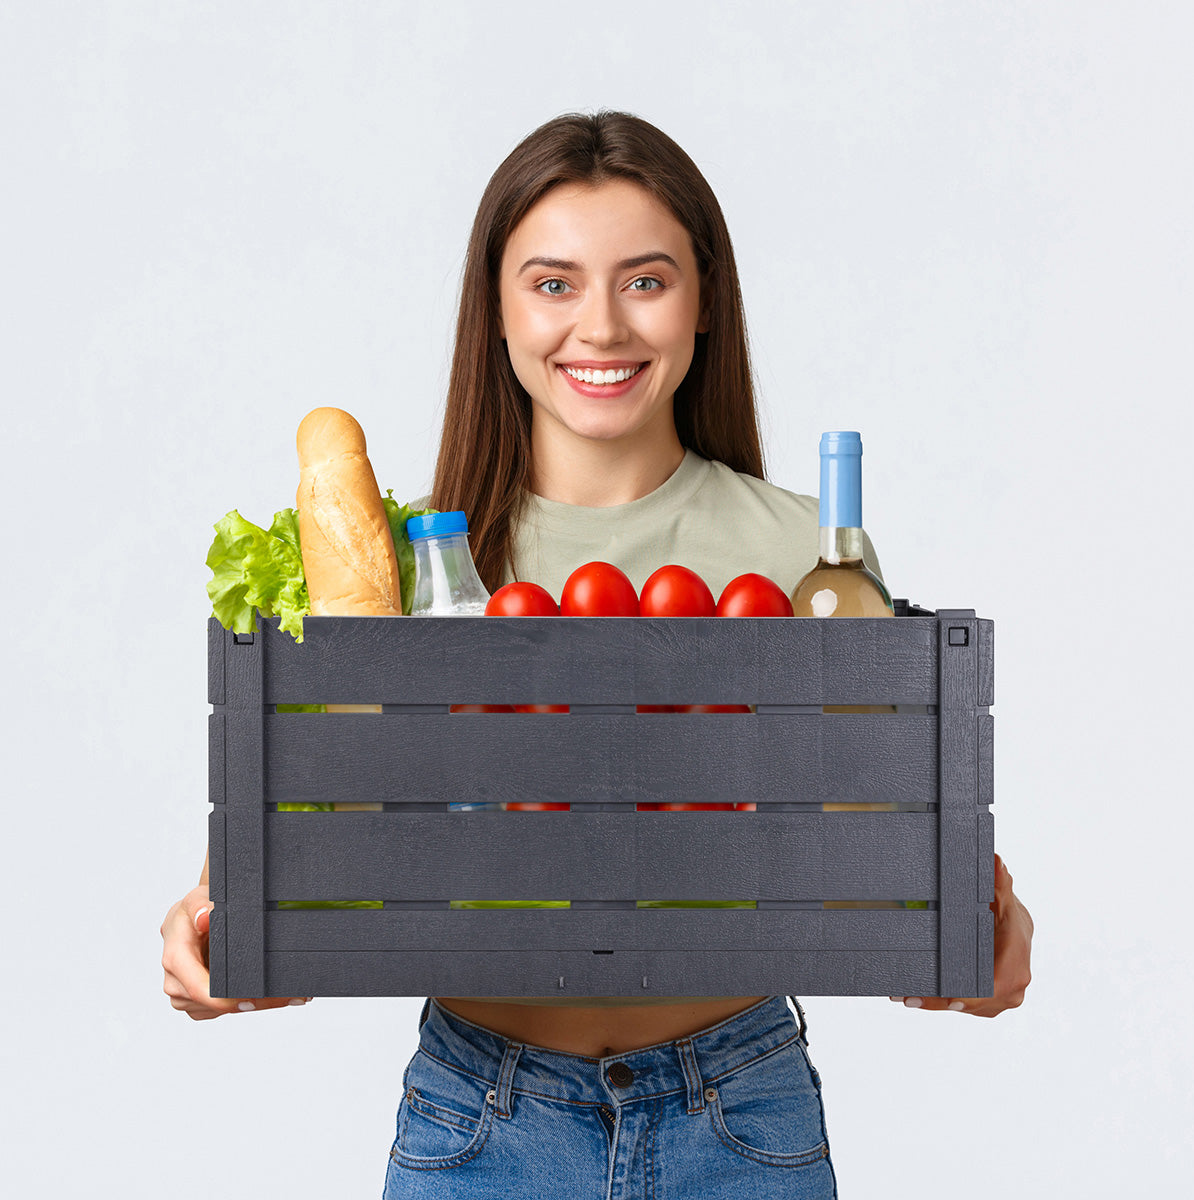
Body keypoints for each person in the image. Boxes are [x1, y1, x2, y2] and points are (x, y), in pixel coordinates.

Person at [162, 111, 1034, 1197]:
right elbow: (326, 823)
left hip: (741, 1110)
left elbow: (870, 841)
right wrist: (217, 924)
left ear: (704, 301)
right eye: (555, 283)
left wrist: (981, 924)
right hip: (480, 1116)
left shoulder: (805, 559)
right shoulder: (406, 571)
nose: (603, 328)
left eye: (647, 281)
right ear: (498, 309)